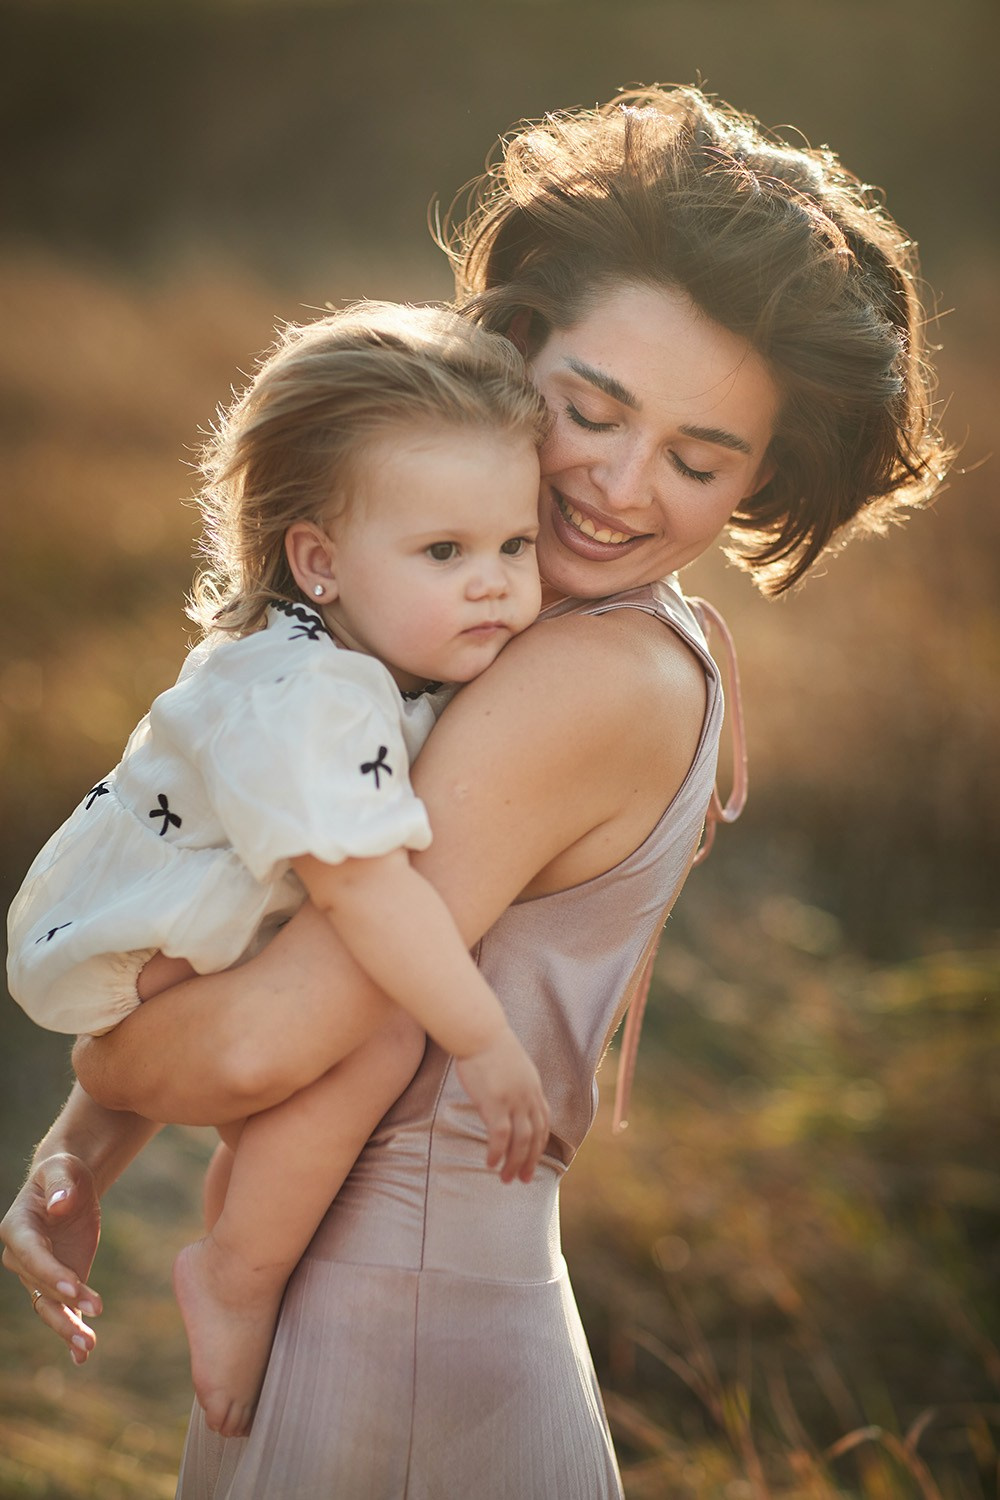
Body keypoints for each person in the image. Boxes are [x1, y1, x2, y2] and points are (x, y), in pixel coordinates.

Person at [2, 86, 947, 1498]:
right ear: (515, 352)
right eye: (591, 413)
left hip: (395, 1340)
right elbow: (251, 907)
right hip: (383, 1308)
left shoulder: (585, 681)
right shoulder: (498, 633)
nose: (622, 489)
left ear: (765, 477)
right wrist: (81, 1158)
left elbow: (270, 1038)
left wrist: (100, 1066)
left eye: (699, 461)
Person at [5, 301, 553, 1437]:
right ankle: (236, 1277)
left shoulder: (359, 652)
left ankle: (88, 1180)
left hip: (161, 938)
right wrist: (484, 1041)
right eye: (445, 551)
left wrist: (84, 1150)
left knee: (327, 1012)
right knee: (390, 1025)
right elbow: (361, 890)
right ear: (319, 561)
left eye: (516, 544)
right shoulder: (312, 691)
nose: (495, 582)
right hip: (144, 948)